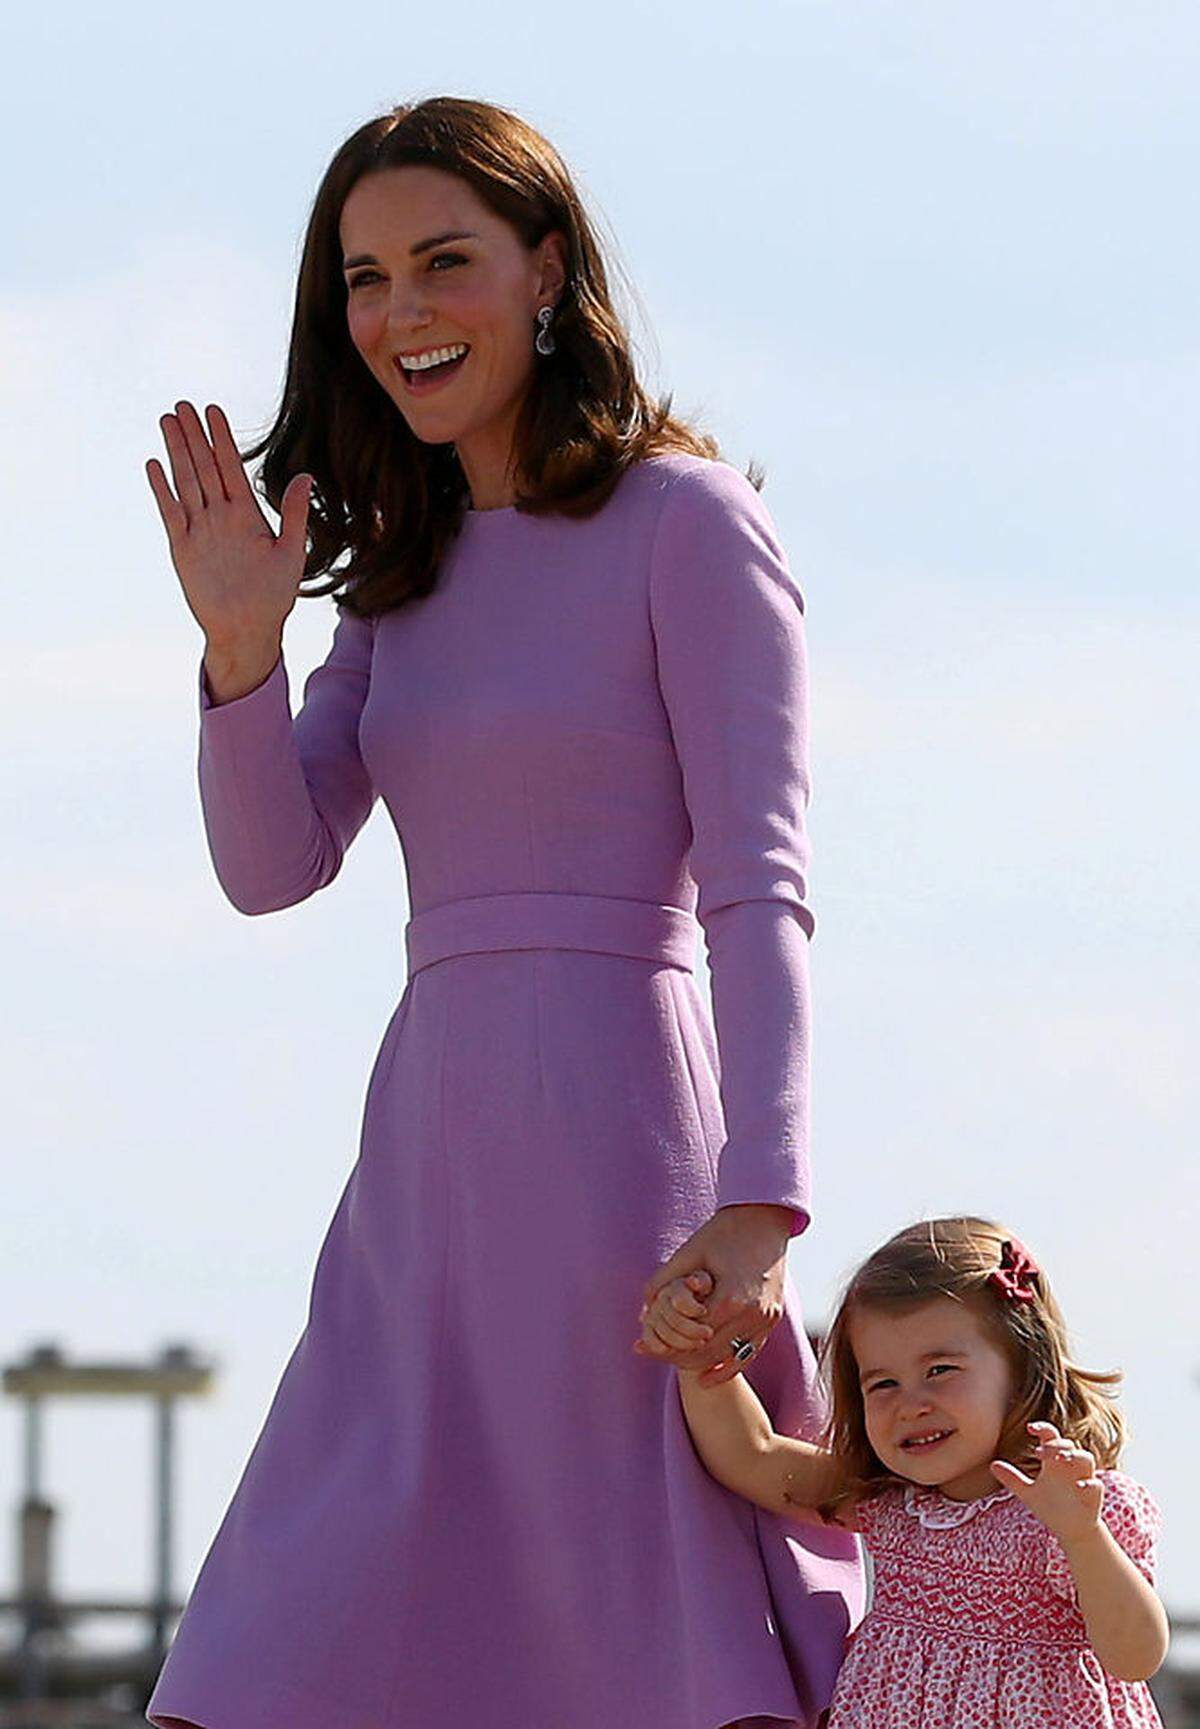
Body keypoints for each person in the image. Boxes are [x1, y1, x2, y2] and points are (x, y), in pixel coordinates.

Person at [141, 96, 864, 1729]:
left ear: (547, 270)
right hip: (428, 1167)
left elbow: (763, 881)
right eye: (366, 275)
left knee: (651, 1641)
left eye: (444, 262)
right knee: (265, 1658)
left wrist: (765, 1197)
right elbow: (274, 863)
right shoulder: (400, 559)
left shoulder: (689, 522)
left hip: (634, 1155)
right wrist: (242, 650)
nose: (400, 312)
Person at [646, 1216, 1169, 1727]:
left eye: (939, 1371)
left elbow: (1135, 1657)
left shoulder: (1075, 1506)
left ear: (1023, 1364)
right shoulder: (891, 1502)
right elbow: (754, 1458)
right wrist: (702, 1361)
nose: (910, 1405)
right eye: (883, 1384)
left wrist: (1082, 1536)